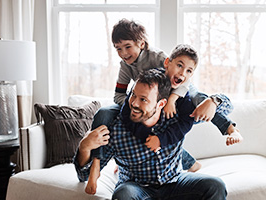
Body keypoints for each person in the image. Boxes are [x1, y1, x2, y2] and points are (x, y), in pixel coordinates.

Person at [85, 19, 240, 195]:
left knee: (199, 102)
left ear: (141, 43)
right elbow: (118, 95)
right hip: (146, 105)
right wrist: (135, 104)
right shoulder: (125, 67)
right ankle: (96, 161)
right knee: (105, 112)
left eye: (127, 47)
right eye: (118, 48)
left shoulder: (158, 58)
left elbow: (179, 78)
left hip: (176, 94)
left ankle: (229, 128)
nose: (123, 53)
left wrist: (173, 99)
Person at [74, 69, 227, 199]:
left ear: (161, 104)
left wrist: (214, 101)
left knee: (215, 186)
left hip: (175, 182)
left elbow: (227, 109)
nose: (134, 103)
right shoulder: (116, 129)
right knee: (123, 195)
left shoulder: (176, 118)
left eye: (143, 99)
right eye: (133, 95)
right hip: (136, 188)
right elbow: (84, 176)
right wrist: (84, 148)